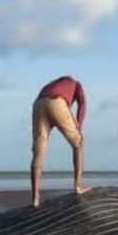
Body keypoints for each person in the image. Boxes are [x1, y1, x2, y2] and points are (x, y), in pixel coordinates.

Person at [30, 75, 90, 207]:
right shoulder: (75, 84)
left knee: (39, 151)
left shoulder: (53, 85)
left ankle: (35, 198)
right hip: (56, 103)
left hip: (38, 104)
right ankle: (78, 186)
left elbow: (65, 107)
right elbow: (83, 104)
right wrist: (79, 127)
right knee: (78, 143)